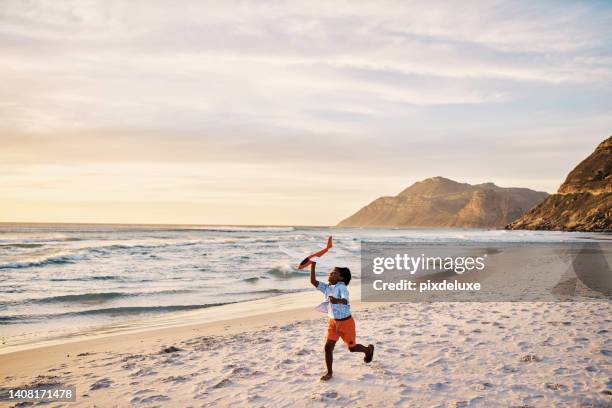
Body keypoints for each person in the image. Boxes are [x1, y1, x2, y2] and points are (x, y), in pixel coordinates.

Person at [310, 262, 374, 381]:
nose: (330, 274)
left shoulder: (342, 287)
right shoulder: (327, 287)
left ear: (341, 278)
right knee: (328, 348)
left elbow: (345, 300)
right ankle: (329, 373)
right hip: (333, 323)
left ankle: (367, 349)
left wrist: (336, 300)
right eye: (331, 272)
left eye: (334, 273)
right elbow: (313, 282)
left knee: (352, 348)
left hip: (346, 323)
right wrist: (313, 264)